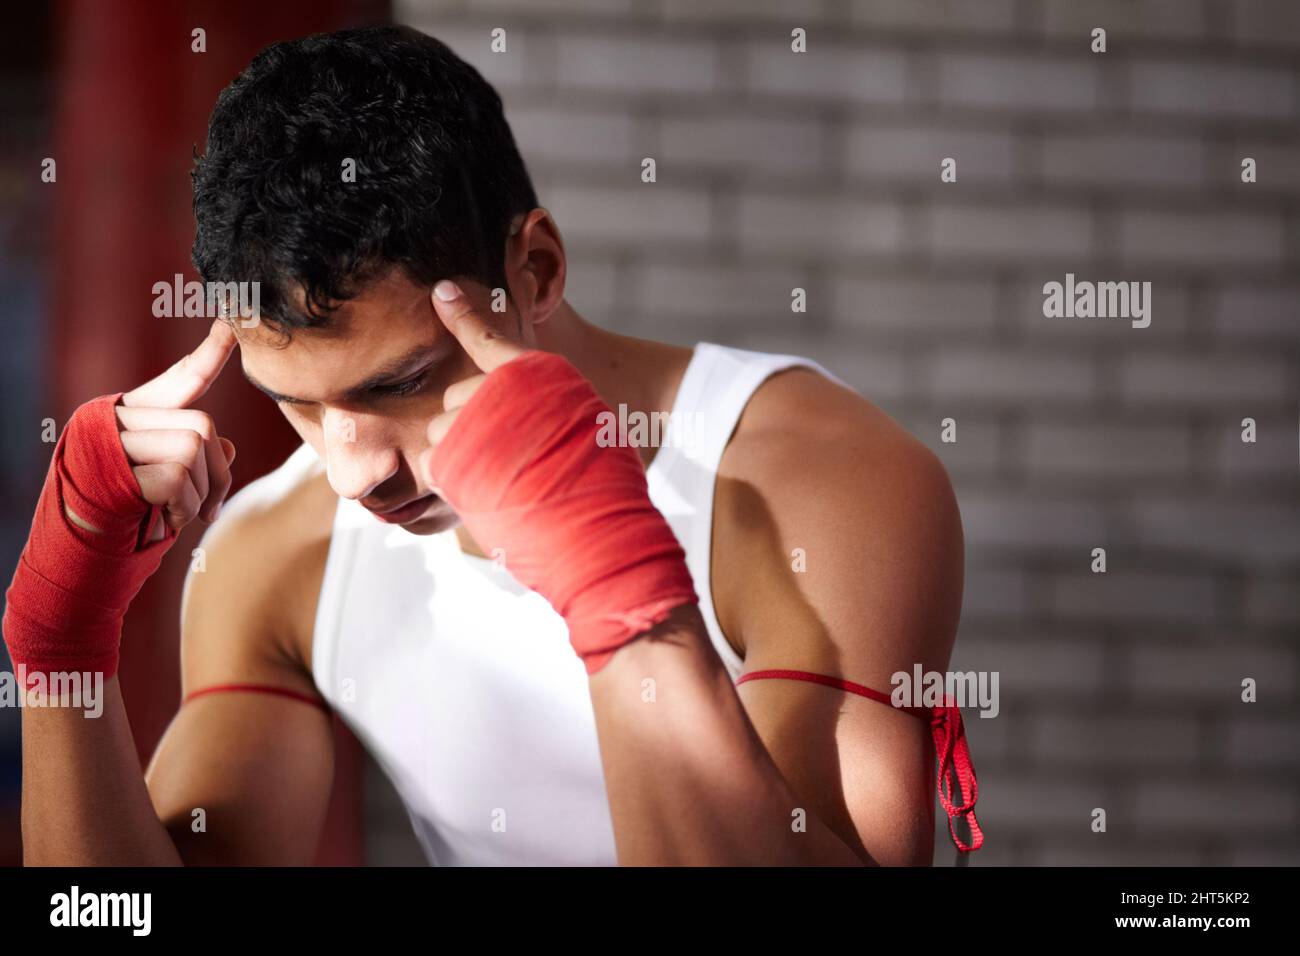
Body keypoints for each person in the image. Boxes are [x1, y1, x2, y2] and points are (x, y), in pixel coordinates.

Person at [5, 24, 980, 866]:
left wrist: (618, 585)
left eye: (401, 382)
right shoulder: (277, 551)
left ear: (536, 270)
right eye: (297, 404)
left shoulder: (818, 482)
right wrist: (59, 645)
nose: (354, 472)